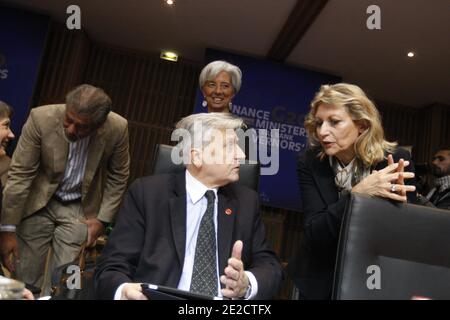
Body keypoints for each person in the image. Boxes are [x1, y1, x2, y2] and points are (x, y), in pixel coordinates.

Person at [94, 112, 282, 300]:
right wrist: (124, 291)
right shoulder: (148, 195)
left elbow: (270, 267)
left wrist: (246, 283)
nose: (241, 155)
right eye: (230, 146)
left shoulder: (246, 202)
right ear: (197, 157)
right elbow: (112, 265)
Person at [287, 83, 417, 299]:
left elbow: (402, 238)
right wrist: (359, 193)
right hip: (319, 276)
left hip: (372, 274)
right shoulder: (310, 162)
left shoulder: (394, 160)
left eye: (334, 122)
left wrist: (403, 215)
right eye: (319, 123)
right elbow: (315, 233)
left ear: (362, 126)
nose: (323, 132)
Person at [0, 84, 130, 295]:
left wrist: (102, 220)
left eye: (81, 127)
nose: (71, 129)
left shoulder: (117, 127)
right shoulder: (41, 118)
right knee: (22, 279)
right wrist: (7, 230)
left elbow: (119, 176)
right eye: (68, 121)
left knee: (69, 283)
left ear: (99, 125)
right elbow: (20, 175)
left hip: (80, 210)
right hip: (38, 203)